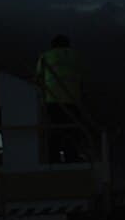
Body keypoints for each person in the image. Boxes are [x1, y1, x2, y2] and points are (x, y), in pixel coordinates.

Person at [34, 34, 86, 163]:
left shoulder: (46, 56)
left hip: (53, 100)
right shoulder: (76, 56)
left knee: (55, 130)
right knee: (72, 130)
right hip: (73, 100)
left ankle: (54, 159)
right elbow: (82, 77)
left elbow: (38, 78)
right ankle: (72, 157)